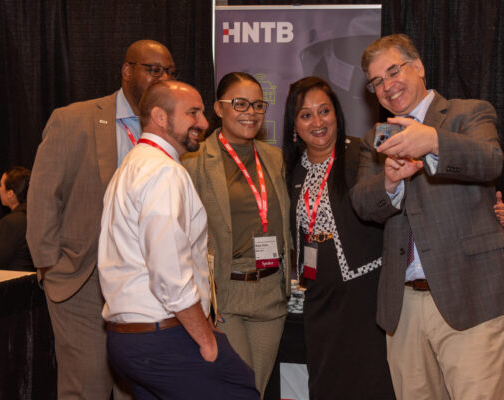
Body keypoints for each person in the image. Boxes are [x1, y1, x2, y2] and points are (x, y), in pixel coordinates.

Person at [351, 34, 504, 400]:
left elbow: (490, 160)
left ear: (418, 67)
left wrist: (433, 141)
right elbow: (361, 203)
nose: (388, 86)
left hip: (473, 296)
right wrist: (389, 182)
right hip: (402, 307)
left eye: (393, 71)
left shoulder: (467, 112)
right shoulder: (376, 137)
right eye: (377, 82)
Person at [27, 39, 176, 399]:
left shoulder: (168, 127)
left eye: (169, 72)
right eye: (153, 69)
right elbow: (44, 198)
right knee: (87, 388)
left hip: (145, 286)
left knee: (137, 390)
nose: (162, 78)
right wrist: (51, 267)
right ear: (127, 71)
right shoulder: (73, 119)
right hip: (83, 282)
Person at [98, 80, 259, 400]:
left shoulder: (132, 164)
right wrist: (207, 340)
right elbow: (169, 273)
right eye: (193, 113)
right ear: (160, 116)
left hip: (128, 339)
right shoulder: (163, 173)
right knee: (242, 389)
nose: (203, 122)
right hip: (162, 335)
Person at [282, 76, 394, 399]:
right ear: (294, 125)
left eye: (324, 111)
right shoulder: (291, 170)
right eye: (306, 115)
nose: (317, 122)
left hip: (367, 300)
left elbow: (402, 196)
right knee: (326, 383)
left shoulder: (363, 154)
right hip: (319, 301)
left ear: (337, 115)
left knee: (372, 384)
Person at [182, 72, 291, 397]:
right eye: (240, 103)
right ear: (218, 107)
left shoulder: (274, 158)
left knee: (255, 391)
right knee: (235, 390)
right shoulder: (195, 161)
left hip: (271, 295)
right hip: (227, 293)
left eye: (258, 105)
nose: (251, 112)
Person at [0, 166, 33, 271]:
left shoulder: (9, 223)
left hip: (14, 285)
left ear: (10, 194)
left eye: (1, 186)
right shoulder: (36, 217)